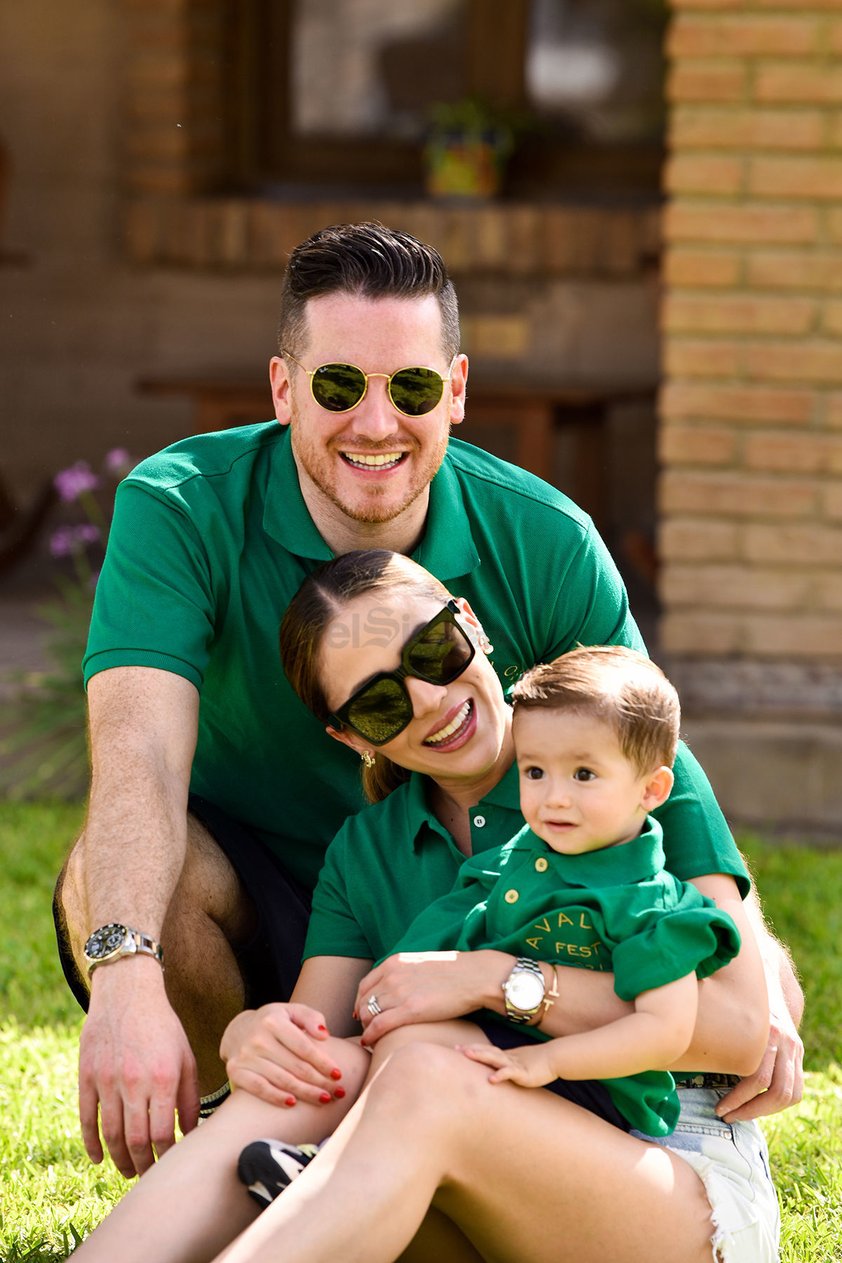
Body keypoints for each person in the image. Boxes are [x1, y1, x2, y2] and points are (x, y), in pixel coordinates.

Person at [53, 222, 803, 1181]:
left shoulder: (544, 540)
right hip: (257, 904)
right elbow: (139, 757)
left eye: (409, 387)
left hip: (447, 922)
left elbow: (650, 755)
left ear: (454, 390)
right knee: (105, 877)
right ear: (284, 389)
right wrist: (123, 979)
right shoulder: (180, 505)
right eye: (337, 386)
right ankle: (225, 1137)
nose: (375, 422)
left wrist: (744, 947)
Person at [68, 550, 781, 1263]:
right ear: (351, 735)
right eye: (380, 702)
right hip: (461, 1150)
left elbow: (740, 1028)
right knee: (308, 1078)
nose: (431, 699)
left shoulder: (614, 763)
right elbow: (322, 1050)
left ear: (469, 622)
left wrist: (491, 978)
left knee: (422, 1063)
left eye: (434, 649)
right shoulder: (367, 848)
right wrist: (257, 1035)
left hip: (669, 1162)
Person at [385, 645, 742, 1138]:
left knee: (423, 1059)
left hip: (595, 1093)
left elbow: (664, 1032)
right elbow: (433, 950)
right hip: (502, 1056)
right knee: (408, 1043)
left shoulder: (650, 904)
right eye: (535, 772)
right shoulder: (509, 867)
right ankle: (338, 1160)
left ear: (652, 791)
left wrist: (550, 1060)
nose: (554, 796)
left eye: (583, 774)